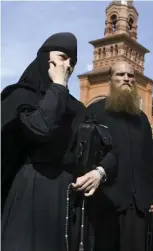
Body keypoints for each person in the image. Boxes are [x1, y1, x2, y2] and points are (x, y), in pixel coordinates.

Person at [1, 32, 101, 251]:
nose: (68, 66)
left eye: (72, 61)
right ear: (45, 57)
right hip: (31, 191)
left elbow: (104, 149)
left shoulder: (77, 108)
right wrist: (58, 86)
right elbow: (41, 128)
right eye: (62, 57)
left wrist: (99, 173)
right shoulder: (21, 96)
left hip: (67, 197)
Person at [84, 61, 153, 251]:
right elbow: (86, 155)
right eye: (120, 75)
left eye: (130, 76)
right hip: (106, 201)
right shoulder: (95, 112)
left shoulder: (141, 118)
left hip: (137, 204)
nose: (126, 79)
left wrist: (151, 196)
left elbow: (148, 159)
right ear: (110, 79)